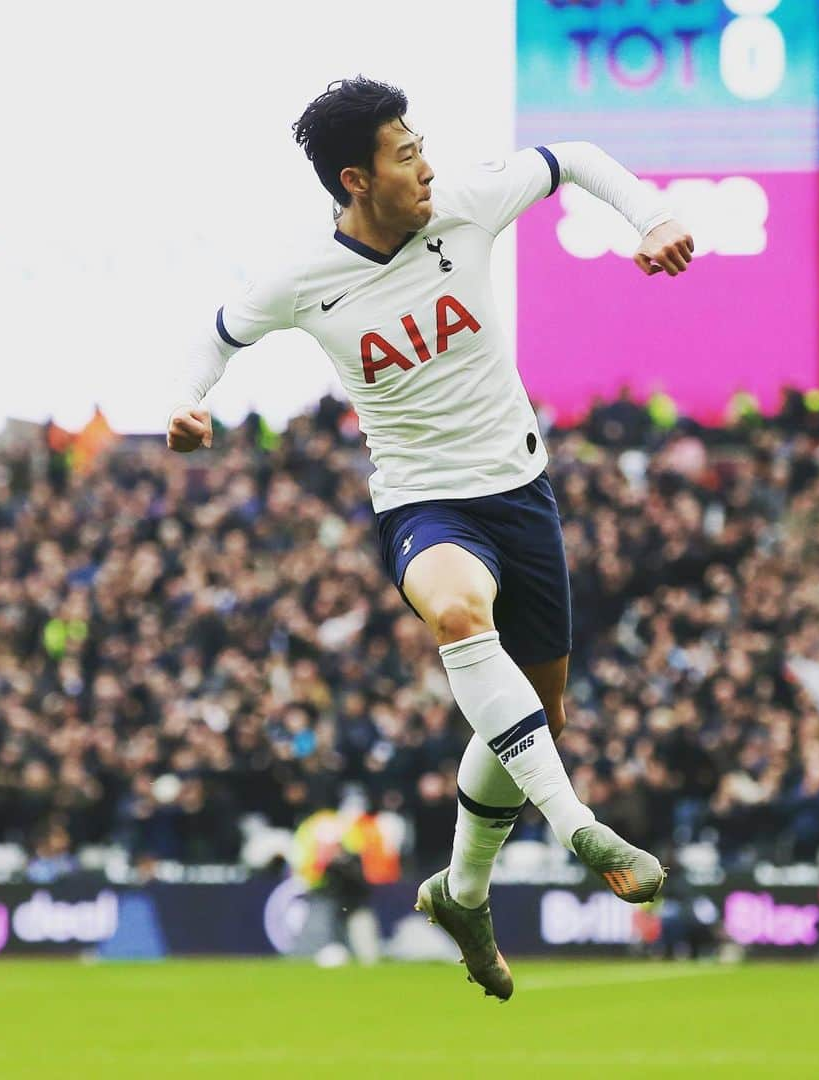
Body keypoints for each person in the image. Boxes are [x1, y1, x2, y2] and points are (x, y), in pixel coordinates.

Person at [167, 77, 695, 1000]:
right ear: (354, 178)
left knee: (537, 711)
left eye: (420, 146)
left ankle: (463, 892)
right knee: (458, 613)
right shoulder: (302, 279)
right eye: (405, 154)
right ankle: (577, 825)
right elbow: (216, 337)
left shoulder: (466, 206)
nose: (426, 165)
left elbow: (575, 159)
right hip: (422, 505)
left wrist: (648, 220)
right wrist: (187, 401)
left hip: (520, 494)